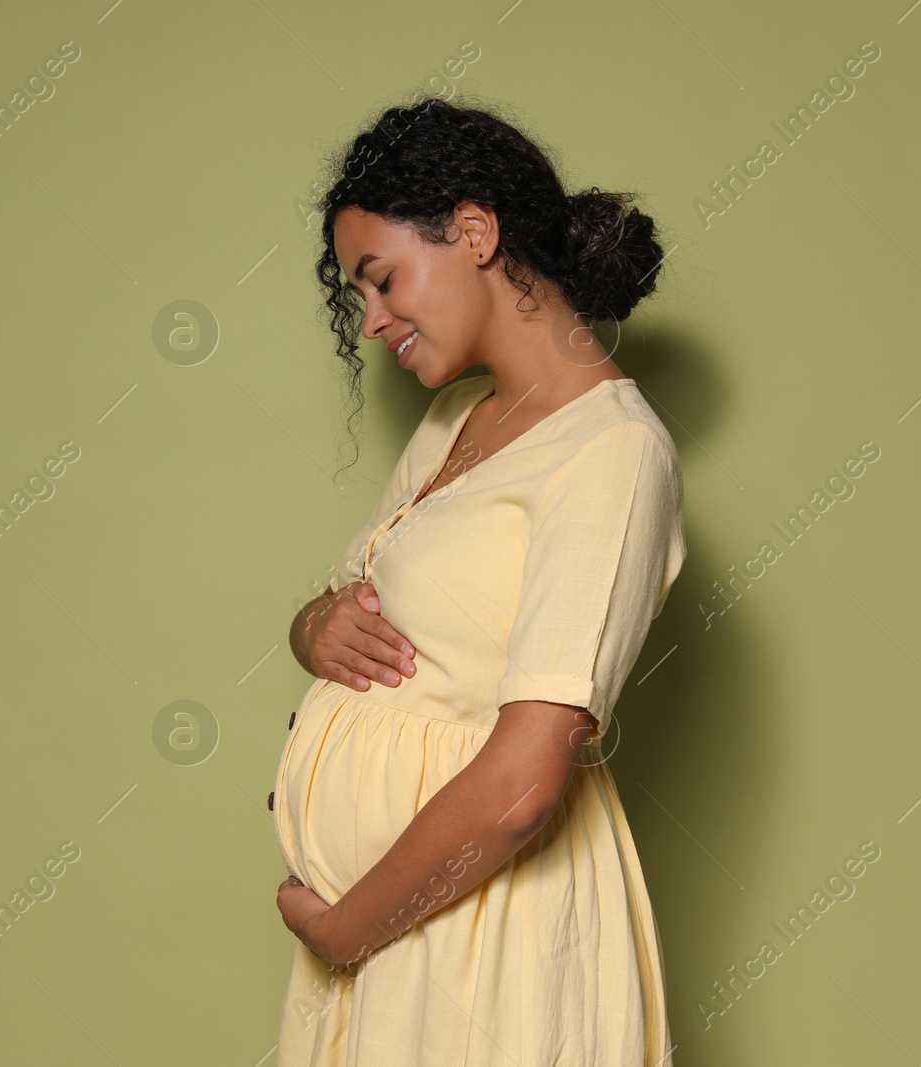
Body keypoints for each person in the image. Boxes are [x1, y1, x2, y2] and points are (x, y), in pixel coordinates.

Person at [271, 96, 687, 1066]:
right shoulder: (455, 419)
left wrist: (346, 930)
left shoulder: (612, 453)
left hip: (480, 940)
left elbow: (518, 788)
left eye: (381, 280)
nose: (370, 321)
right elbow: (338, 602)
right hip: (398, 935)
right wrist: (310, 631)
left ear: (473, 230)